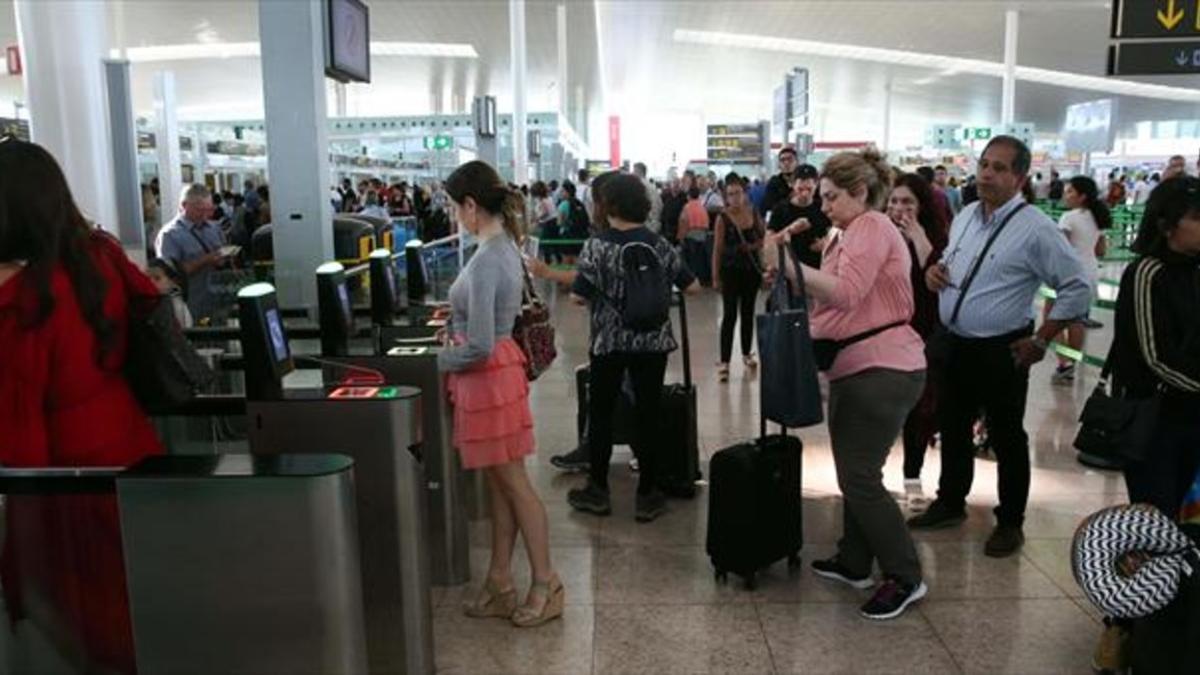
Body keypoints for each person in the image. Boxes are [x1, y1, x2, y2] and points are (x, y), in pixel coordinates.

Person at [0, 137, 165, 674]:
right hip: (131, 442)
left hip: (64, 477)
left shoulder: (20, 299)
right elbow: (152, 306)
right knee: (141, 602)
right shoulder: (99, 255)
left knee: (93, 623)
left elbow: (17, 424)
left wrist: (18, 525)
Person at [907, 136, 1092, 558]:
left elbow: (1077, 287)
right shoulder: (967, 215)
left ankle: (1010, 521)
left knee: (1006, 435)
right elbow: (952, 265)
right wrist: (936, 273)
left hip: (1003, 349)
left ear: (1020, 177)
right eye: (984, 164)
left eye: (1000, 168)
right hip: (956, 344)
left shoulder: (1037, 229)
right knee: (953, 426)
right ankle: (950, 502)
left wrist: (1043, 340)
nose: (987, 174)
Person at [764, 148, 929, 620]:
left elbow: (847, 293)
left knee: (859, 477)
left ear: (860, 192)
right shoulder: (850, 232)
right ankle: (856, 560)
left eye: (832, 198)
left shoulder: (873, 227)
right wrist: (789, 269)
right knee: (854, 474)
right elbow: (833, 296)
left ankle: (905, 575)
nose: (824, 207)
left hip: (882, 367)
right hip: (855, 366)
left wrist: (788, 265)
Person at [437, 159, 563, 628]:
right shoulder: (504, 245)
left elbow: (482, 343)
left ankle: (546, 582)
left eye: (454, 207)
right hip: (494, 378)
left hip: (489, 378)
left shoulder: (489, 256)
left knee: (514, 485)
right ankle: (500, 581)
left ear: (471, 206)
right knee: (500, 486)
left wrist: (436, 361)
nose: (453, 216)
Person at [563, 173, 700, 522]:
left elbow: (578, 296)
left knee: (602, 414)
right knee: (648, 413)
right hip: (652, 342)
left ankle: (598, 490)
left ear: (608, 206)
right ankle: (648, 494)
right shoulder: (658, 243)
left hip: (609, 343)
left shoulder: (597, 246)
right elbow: (693, 286)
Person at [886, 174, 949, 506]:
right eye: (894, 201)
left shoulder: (935, 238)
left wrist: (918, 236)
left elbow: (935, 275)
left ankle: (912, 475)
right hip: (886, 332)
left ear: (922, 205)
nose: (899, 209)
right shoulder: (879, 235)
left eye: (907, 202)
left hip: (924, 332)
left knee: (921, 409)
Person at [1048, 176, 1110, 385]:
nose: (1066, 195)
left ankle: (1064, 364)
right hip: (1090, 272)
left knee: (1051, 319)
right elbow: (1101, 250)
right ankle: (1071, 364)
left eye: (1070, 191)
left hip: (1067, 274)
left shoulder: (1069, 217)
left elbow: (1061, 251)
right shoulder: (1098, 217)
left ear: (1082, 196)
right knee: (1077, 321)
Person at [712, 173, 765, 382]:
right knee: (729, 315)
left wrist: (752, 247)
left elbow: (764, 237)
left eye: (737, 193)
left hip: (750, 272)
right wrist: (715, 276)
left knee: (748, 312)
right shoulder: (722, 218)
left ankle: (746, 353)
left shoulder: (753, 212)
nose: (734, 198)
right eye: (730, 194)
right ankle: (724, 361)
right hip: (730, 271)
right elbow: (717, 249)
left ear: (745, 193)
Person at [155, 183, 232, 322]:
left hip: (218, 303)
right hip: (190, 306)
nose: (205, 215)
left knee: (220, 341)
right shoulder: (170, 235)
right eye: (199, 210)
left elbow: (222, 255)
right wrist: (205, 260)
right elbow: (169, 276)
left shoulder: (214, 228)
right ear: (184, 205)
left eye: (208, 210)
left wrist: (225, 257)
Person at [766, 163, 830, 269]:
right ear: (792, 184)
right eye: (800, 189)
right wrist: (790, 230)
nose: (804, 194)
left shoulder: (823, 207)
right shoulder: (780, 209)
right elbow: (768, 243)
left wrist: (826, 243)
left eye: (809, 189)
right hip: (789, 269)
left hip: (818, 269)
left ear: (816, 185)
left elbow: (836, 234)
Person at [147, 257, 193, 328]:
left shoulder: (176, 306)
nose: (151, 282)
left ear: (173, 281)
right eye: (147, 278)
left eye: (157, 278)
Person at [762, 147, 800, 216]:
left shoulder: (803, 182)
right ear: (779, 165)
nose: (786, 163)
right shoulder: (774, 183)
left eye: (790, 159)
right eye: (782, 160)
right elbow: (768, 206)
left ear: (797, 162)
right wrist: (790, 198)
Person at [633, 162, 663, 232]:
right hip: (654, 223)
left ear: (638, 172)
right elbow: (660, 205)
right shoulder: (652, 186)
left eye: (634, 171)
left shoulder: (640, 186)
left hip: (646, 224)